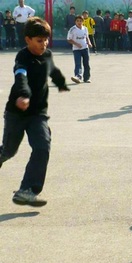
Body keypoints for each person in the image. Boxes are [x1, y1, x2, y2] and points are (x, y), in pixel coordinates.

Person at [0, 17, 70, 207]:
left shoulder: (46, 55)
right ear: (28, 40)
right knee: (8, 151)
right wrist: (23, 95)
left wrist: (61, 83)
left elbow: (52, 70)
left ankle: (28, 190)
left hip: (38, 114)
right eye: (39, 40)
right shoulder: (22, 57)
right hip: (17, 113)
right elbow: (20, 77)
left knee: (42, 146)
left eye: (46, 40)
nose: (44, 44)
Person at [67, 15, 92, 84]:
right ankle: (78, 76)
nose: (79, 22)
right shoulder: (72, 29)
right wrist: (76, 44)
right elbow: (69, 39)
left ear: (83, 22)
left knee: (86, 63)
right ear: (75, 22)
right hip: (76, 49)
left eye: (80, 21)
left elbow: (87, 37)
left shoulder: (85, 29)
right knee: (78, 64)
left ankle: (86, 78)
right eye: (77, 21)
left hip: (85, 48)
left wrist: (89, 43)